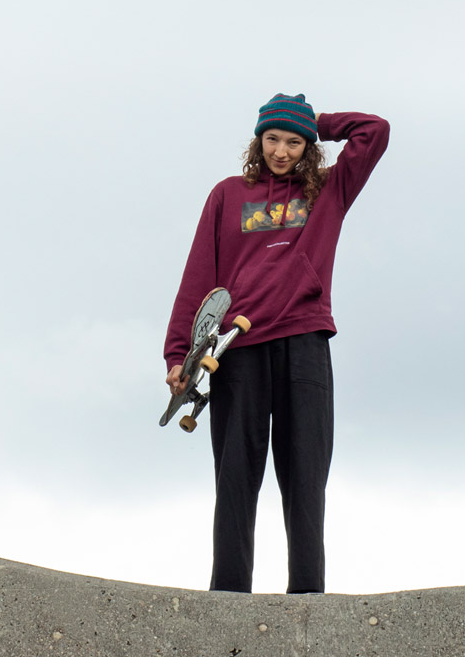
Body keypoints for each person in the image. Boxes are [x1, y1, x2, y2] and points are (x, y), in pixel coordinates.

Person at [162, 93, 391, 593]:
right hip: (235, 352)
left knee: (306, 477)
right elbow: (199, 274)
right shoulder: (227, 195)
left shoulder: (327, 190)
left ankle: (307, 597)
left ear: (307, 146)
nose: (281, 151)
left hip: (305, 341)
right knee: (236, 479)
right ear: (257, 139)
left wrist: (316, 123)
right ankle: (227, 599)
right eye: (272, 139)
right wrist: (180, 353)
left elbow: (374, 130)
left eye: (293, 141)